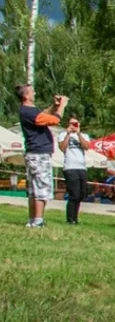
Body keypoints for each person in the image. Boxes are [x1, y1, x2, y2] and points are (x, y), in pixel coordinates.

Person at [16, 84, 68, 227]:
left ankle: (32, 220)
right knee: (41, 188)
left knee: (34, 189)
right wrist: (62, 106)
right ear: (26, 96)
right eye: (32, 91)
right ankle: (38, 221)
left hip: (34, 153)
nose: (35, 93)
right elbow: (54, 120)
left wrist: (54, 106)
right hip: (39, 154)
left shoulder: (28, 111)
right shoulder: (28, 111)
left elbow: (44, 115)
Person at [58, 116, 91, 224]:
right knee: (74, 194)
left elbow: (86, 146)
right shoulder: (63, 134)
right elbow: (62, 148)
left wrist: (78, 134)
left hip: (81, 167)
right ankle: (70, 219)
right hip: (70, 167)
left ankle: (75, 218)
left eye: (75, 123)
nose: (73, 126)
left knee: (82, 194)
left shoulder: (84, 135)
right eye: (71, 123)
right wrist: (68, 134)